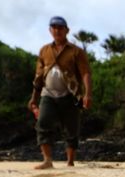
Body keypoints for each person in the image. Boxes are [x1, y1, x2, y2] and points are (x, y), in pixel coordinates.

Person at [28, 16, 92, 169]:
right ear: (50, 30)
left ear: (67, 30)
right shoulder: (44, 50)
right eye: (54, 27)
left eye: (60, 27)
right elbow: (38, 77)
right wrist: (33, 99)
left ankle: (70, 162)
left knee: (71, 128)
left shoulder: (77, 51)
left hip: (70, 94)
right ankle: (47, 160)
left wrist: (87, 94)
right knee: (42, 123)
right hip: (48, 94)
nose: (57, 30)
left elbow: (85, 73)